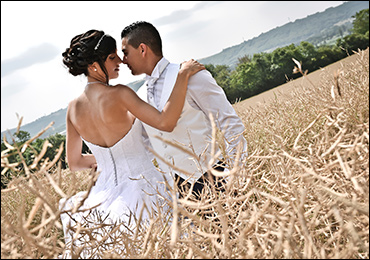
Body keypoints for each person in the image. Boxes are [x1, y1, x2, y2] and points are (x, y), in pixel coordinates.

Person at [58, 29, 205, 256]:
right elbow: (165, 122)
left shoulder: (72, 109)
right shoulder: (120, 94)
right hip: (144, 187)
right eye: (112, 57)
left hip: (102, 197)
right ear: (94, 66)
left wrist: (110, 159)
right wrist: (182, 76)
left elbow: (75, 162)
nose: (120, 61)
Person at [120, 21, 247, 202]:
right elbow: (147, 146)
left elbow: (230, 123)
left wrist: (237, 174)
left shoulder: (193, 76)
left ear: (142, 49)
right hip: (178, 196)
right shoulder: (138, 96)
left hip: (215, 179)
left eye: (125, 53)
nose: (123, 60)